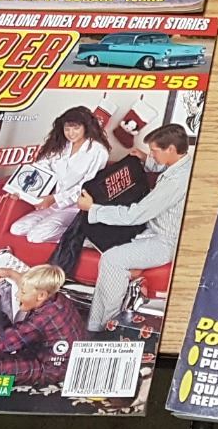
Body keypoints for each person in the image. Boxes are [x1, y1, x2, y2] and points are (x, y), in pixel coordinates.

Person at [78, 123, 194, 332]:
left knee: (112, 259)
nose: (152, 154)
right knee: (91, 239)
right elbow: (165, 167)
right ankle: (96, 324)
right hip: (151, 230)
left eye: (154, 151)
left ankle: (108, 324)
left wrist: (93, 209)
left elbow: (135, 214)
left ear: (170, 149)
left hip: (165, 241)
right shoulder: (186, 163)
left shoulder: (176, 182)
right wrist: (145, 158)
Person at [0, 264, 88, 387]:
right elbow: (31, 286)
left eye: (23, 292)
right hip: (67, 356)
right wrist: (11, 273)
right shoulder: (55, 297)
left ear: (41, 296)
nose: (18, 295)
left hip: (52, 369)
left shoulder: (43, 318)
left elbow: (13, 338)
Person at [10, 106, 110, 244]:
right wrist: (20, 191)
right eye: (67, 129)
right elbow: (40, 168)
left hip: (76, 207)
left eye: (76, 128)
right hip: (54, 204)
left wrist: (54, 198)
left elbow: (87, 186)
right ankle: (64, 231)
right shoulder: (60, 146)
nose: (71, 133)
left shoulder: (98, 151)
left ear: (85, 127)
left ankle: (84, 237)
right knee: (17, 229)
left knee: (35, 236)